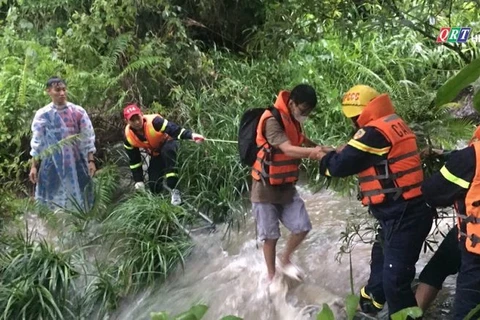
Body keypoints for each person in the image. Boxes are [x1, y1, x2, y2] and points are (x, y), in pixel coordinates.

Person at [315, 85, 435, 318]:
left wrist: (324, 157)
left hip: (403, 217)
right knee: (379, 273)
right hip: (401, 214)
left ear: (359, 114)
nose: (353, 123)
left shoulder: (373, 133)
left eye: (352, 118)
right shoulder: (393, 123)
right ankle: (368, 308)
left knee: (395, 281)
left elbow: (337, 167)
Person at [250, 84, 325, 286]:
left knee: (302, 227)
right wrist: (313, 153)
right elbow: (288, 149)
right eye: (303, 110)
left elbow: (300, 139)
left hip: (286, 187)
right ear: (291, 103)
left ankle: (285, 259)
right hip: (264, 188)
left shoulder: (293, 120)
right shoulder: (272, 120)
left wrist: (320, 147)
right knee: (270, 237)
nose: (305, 115)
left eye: (308, 112)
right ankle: (272, 276)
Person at [417, 124, 480, 319]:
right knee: (439, 264)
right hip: (467, 233)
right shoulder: (467, 157)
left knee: (465, 310)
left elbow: (432, 193)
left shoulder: (470, 157)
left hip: (477, 247)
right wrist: (443, 154)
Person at [29, 77, 97, 211]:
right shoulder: (43, 115)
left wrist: (91, 160)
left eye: (64, 89)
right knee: (50, 195)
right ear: (49, 91)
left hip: (77, 161)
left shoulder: (77, 112)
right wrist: (33, 166)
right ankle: (52, 227)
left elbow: (87, 136)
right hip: (51, 163)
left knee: (83, 194)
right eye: (57, 90)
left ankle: (82, 225)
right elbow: (38, 142)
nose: (62, 93)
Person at [123, 103, 204, 205]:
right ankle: (162, 203)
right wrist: (139, 181)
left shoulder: (155, 122)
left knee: (168, 152)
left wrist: (191, 136)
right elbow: (134, 161)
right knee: (154, 185)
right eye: (132, 120)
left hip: (169, 145)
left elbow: (174, 129)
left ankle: (175, 190)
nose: (137, 122)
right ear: (127, 121)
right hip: (156, 153)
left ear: (141, 114)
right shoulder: (128, 138)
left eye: (138, 117)